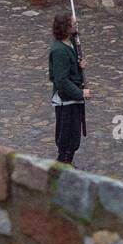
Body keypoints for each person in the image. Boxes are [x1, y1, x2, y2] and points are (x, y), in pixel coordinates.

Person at [49, 12, 89, 164]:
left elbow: (71, 67)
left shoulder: (70, 43)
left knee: (74, 134)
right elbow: (62, 81)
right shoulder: (59, 51)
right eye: (73, 23)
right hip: (67, 100)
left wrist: (79, 66)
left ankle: (68, 162)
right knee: (67, 135)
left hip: (73, 100)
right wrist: (80, 93)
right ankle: (63, 165)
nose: (75, 24)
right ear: (66, 28)